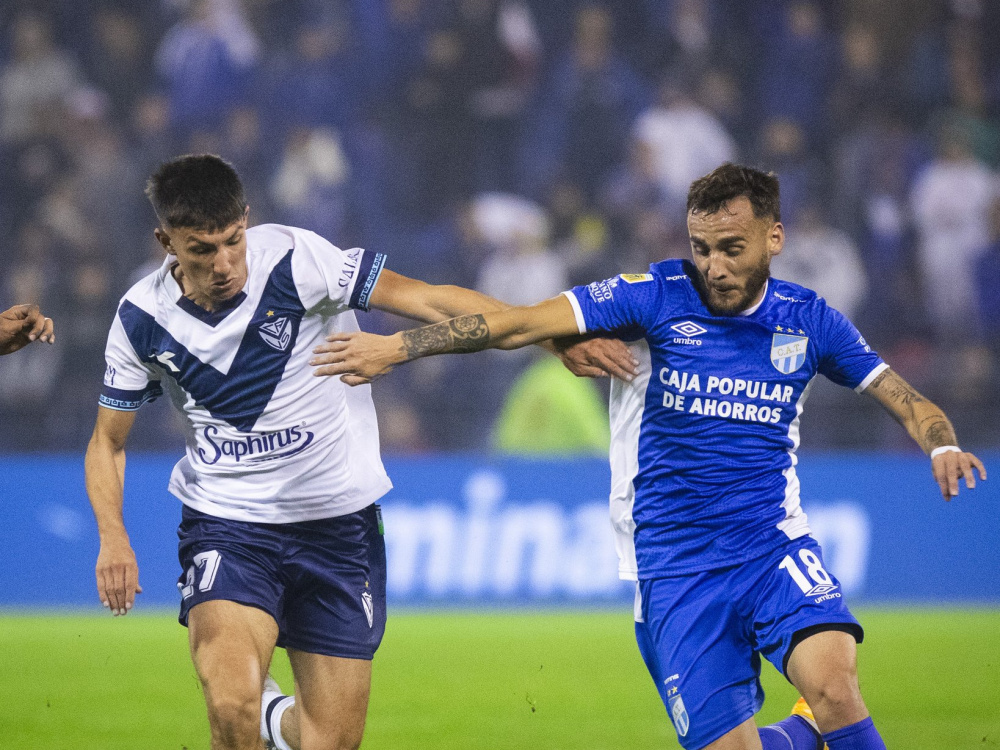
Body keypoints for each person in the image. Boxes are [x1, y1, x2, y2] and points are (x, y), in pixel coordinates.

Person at [314, 163, 988, 750]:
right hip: (674, 567)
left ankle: (821, 719)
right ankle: (804, 733)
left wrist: (945, 443)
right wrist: (398, 348)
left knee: (837, 685)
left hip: (770, 545)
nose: (715, 266)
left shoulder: (809, 319)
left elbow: (905, 397)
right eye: (702, 249)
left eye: (731, 248)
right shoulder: (651, 296)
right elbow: (515, 321)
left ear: (774, 239)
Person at [83, 153, 635, 750]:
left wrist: (549, 337)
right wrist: (113, 536)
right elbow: (107, 442)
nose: (223, 264)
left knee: (328, 740)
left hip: (337, 528)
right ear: (166, 242)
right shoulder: (140, 318)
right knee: (230, 705)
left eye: (232, 242)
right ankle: (253, 713)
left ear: (246, 220)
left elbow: (429, 299)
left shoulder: (298, 260)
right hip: (230, 526)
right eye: (201, 250)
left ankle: (274, 719)